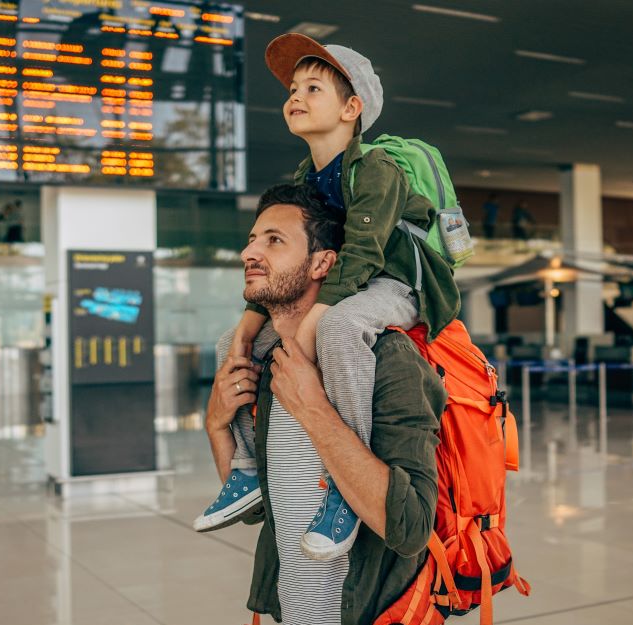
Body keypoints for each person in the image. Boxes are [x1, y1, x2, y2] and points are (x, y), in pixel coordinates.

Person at [193, 34, 460, 562]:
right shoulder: (306, 178)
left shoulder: (376, 170)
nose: (295, 95)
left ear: (352, 108)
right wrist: (246, 332)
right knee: (232, 337)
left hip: (398, 284)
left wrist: (310, 323)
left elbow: (358, 256)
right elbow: (307, 260)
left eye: (313, 87)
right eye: (293, 88)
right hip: (350, 287)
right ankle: (246, 471)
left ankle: (344, 482)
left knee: (338, 328)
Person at [205, 184, 443, 625]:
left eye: (274, 241)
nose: (249, 252)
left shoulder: (387, 360)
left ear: (322, 264)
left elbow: (411, 526)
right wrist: (216, 426)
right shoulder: (264, 359)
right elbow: (262, 512)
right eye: (253, 239)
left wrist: (313, 407)